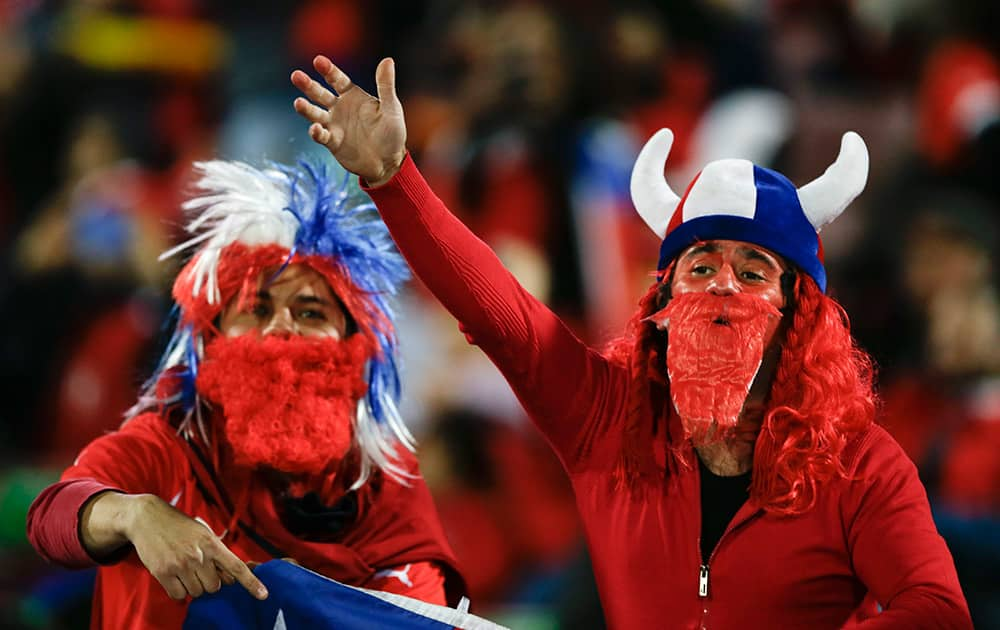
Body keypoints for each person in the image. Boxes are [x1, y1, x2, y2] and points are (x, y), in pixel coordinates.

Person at [289, 55, 972, 628]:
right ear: (664, 304)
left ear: (801, 315)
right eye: (700, 266)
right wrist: (393, 178)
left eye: (754, 269)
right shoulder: (604, 419)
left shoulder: (858, 463)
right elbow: (499, 313)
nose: (723, 287)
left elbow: (937, 608)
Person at [26, 156, 465, 628]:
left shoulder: (378, 476)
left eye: (311, 312)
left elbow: (424, 610)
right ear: (210, 339)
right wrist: (132, 514)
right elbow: (51, 517)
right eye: (256, 309)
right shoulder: (169, 446)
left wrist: (307, 601)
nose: (281, 327)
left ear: (353, 347)